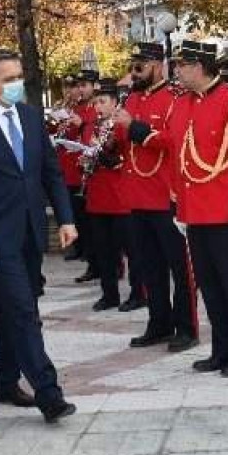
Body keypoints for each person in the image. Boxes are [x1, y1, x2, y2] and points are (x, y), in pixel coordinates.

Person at [0, 49, 79, 423]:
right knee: (24, 310)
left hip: (31, 231)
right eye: (7, 79)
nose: (15, 84)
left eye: (18, 76)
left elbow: (50, 172)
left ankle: (5, 381)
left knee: (12, 307)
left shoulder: (31, 116)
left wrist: (67, 219)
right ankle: (49, 392)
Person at [166, 40, 228, 378]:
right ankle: (221, 349)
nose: (177, 71)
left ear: (203, 66)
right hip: (195, 211)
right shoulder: (181, 105)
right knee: (209, 284)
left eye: (184, 64)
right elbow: (178, 158)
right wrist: (180, 207)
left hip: (226, 210)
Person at [114, 43, 198, 351]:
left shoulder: (175, 98)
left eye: (140, 67)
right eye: (133, 66)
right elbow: (123, 143)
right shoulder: (132, 98)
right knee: (150, 267)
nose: (135, 73)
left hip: (165, 196)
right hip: (137, 197)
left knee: (179, 267)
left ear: (158, 66)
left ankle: (187, 328)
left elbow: (172, 141)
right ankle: (159, 323)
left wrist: (132, 126)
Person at [83, 80, 131, 311]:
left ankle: (138, 293)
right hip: (97, 197)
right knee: (103, 251)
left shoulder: (120, 125)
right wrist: (84, 157)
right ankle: (109, 293)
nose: (97, 107)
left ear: (115, 103)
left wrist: (102, 154)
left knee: (131, 250)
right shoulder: (92, 126)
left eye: (102, 102)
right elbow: (84, 151)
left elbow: (122, 158)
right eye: (95, 102)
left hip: (119, 197)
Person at [58, 73, 96, 272]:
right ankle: (87, 255)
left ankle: (91, 255)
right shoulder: (77, 108)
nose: (79, 90)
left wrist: (80, 124)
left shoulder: (94, 108)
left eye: (83, 85)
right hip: (73, 168)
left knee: (89, 221)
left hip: (87, 171)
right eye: (77, 86)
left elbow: (91, 135)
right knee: (79, 216)